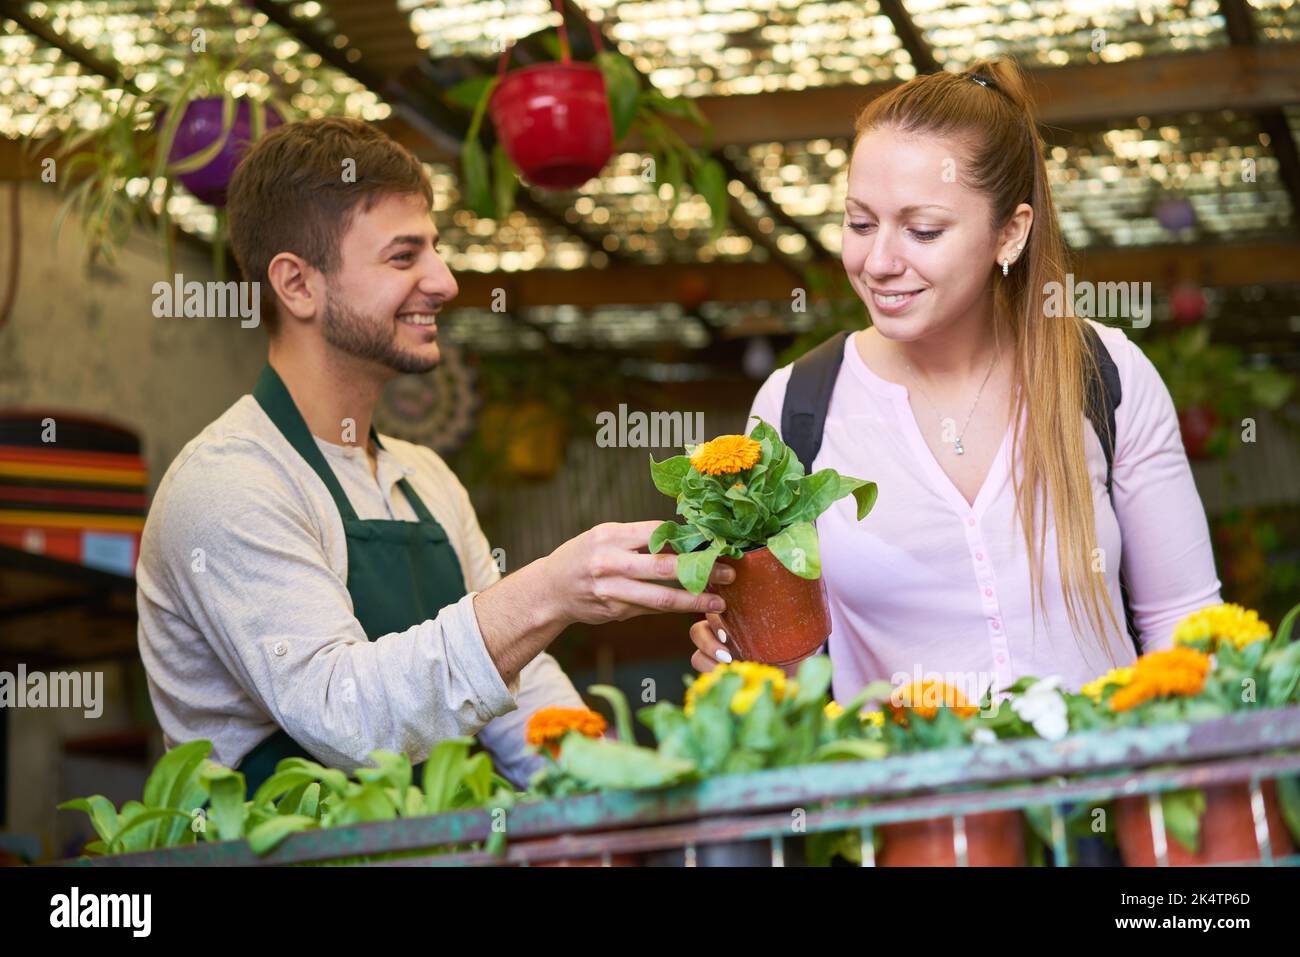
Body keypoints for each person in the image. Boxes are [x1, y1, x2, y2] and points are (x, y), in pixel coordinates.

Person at [136, 116, 732, 794]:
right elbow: (348, 717)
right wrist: (549, 591)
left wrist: (630, 793)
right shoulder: (230, 483)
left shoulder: (426, 479)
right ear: (297, 285)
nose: (445, 282)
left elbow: (525, 688)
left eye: (436, 250)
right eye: (403, 256)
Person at [688, 58, 1221, 710]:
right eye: (860, 223)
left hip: (1098, 801)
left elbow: (1186, 626)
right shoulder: (798, 407)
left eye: (923, 230)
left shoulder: (1104, 375)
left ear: (1011, 233)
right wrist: (742, 656)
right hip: (904, 809)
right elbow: (784, 680)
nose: (878, 261)